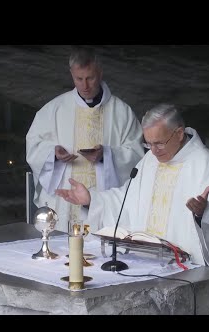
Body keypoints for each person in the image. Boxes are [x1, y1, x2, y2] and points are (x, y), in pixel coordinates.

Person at [56, 103, 209, 314]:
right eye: (148, 144)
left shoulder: (205, 163)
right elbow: (126, 200)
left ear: (179, 133)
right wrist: (92, 199)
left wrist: (203, 213)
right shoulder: (150, 161)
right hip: (145, 263)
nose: (153, 151)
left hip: (184, 271)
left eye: (159, 143)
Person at [26, 47, 145, 232]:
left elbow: (138, 156)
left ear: (100, 72)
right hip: (64, 203)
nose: (85, 85)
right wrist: (53, 154)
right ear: (71, 74)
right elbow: (33, 145)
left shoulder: (122, 113)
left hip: (102, 201)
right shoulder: (55, 109)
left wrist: (107, 155)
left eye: (90, 78)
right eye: (78, 79)